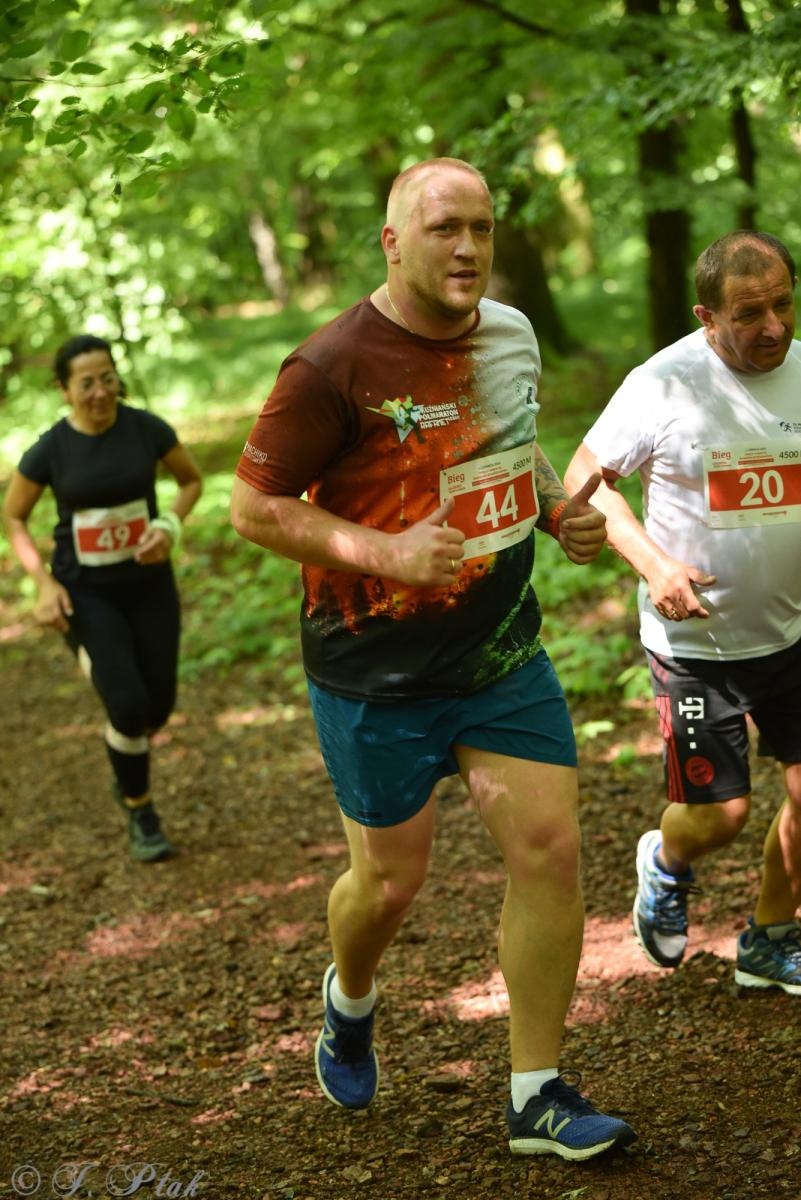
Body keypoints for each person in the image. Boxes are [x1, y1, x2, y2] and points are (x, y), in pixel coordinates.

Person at [230, 157, 636, 1160]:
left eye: (482, 228)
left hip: (500, 655)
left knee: (549, 851)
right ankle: (350, 997)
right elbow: (254, 510)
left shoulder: (511, 332)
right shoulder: (329, 367)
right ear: (392, 241)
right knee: (388, 885)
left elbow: (512, 441)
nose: (467, 247)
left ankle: (536, 1094)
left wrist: (554, 511)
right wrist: (387, 554)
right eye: (444, 227)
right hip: (376, 672)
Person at [565, 231, 801, 996]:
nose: (772, 327)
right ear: (706, 317)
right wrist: (653, 564)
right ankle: (665, 862)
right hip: (696, 645)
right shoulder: (661, 384)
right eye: (748, 314)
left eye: (782, 305)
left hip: (792, 633)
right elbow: (584, 476)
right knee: (718, 815)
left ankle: (769, 937)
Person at [3, 334, 202, 862]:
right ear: (64, 390)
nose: (100, 391)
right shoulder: (50, 449)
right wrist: (43, 583)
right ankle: (141, 811)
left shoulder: (147, 429)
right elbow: (14, 516)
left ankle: (124, 758)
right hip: (85, 593)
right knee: (127, 704)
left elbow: (190, 482)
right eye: (86, 383)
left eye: (107, 378)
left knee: (157, 707)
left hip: (149, 586)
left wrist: (168, 526)